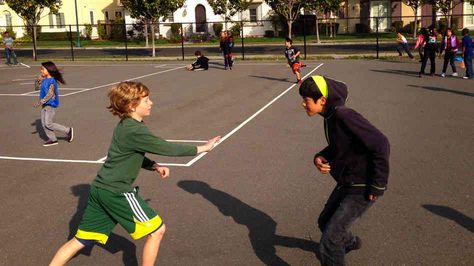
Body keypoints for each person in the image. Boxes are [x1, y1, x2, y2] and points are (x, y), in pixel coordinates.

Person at [49, 81, 221, 266]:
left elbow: (129, 155)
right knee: (157, 230)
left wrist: (154, 165)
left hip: (100, 189)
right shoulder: (135, 130)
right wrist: (202, 148)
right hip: (117, 192)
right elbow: (166, 147)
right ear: (132, 106)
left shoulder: (125, 125)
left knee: (80, 240)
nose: (151, 103)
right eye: (146, 100)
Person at [298, 76, 390, 265]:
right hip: (347, 181)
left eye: (306, 100)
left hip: (363, 184)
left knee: (330, 241)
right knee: (325, 223)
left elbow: (381, 144)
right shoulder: (329, 117)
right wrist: (320, 156)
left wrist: (378, 185)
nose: (303, 104)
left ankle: (337, 246)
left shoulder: (343, 115)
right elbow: (339, 146)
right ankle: (349, 243)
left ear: (321, 100)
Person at [33, 61, 73, 147]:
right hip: (45, 104)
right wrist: (37, 80)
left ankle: (68, 130)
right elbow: (36, 88)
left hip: (50, 104)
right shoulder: (44, 80)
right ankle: (53, 139)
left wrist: (40, 102)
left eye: (43, 69)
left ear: (49, 70)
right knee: (44, 124)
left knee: (48, 123)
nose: (41, 71)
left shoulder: (51, 81)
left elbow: (50, 94)